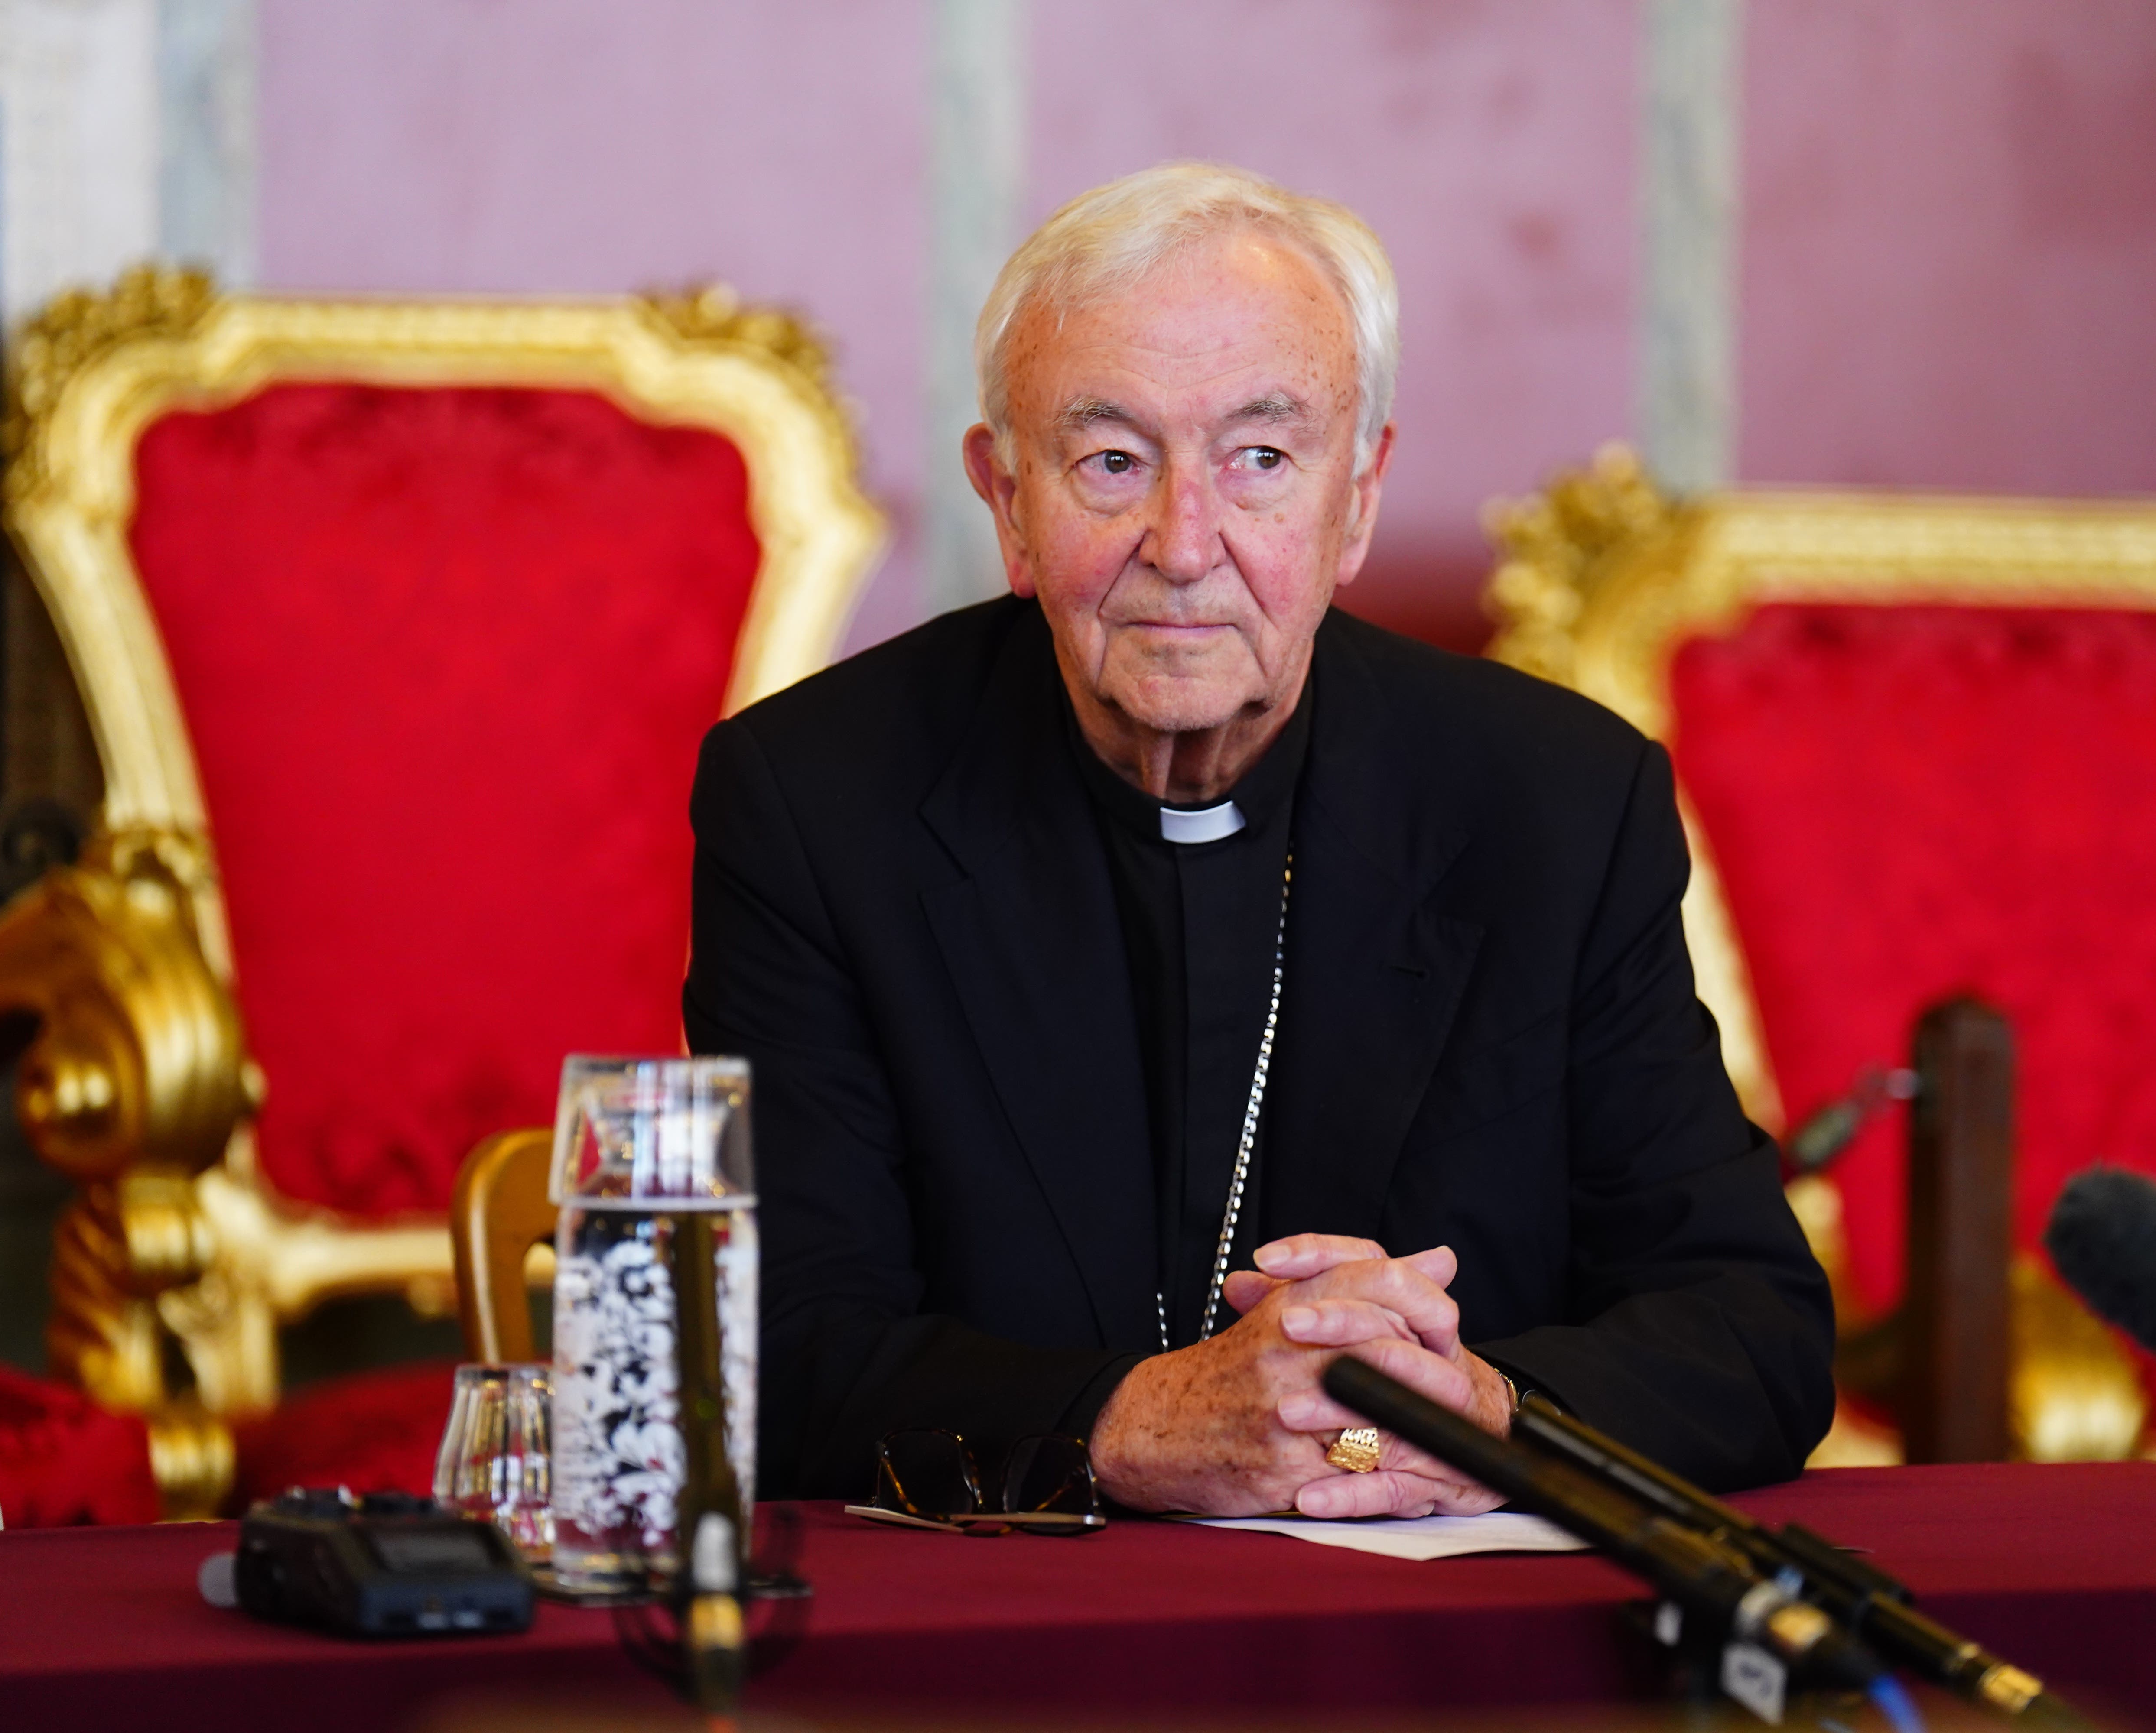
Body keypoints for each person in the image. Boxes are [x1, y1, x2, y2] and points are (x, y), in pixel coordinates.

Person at [686, 162, 1832, 1520]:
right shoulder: (821, 801)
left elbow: (1752, 1328)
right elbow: (775, 1350)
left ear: (1356, 497)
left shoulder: (1555, 803)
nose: (1184, 542)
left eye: (1262, 460)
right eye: (1111, 460)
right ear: (1007, 502)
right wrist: (1134, 1425)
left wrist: (1486, 1417)